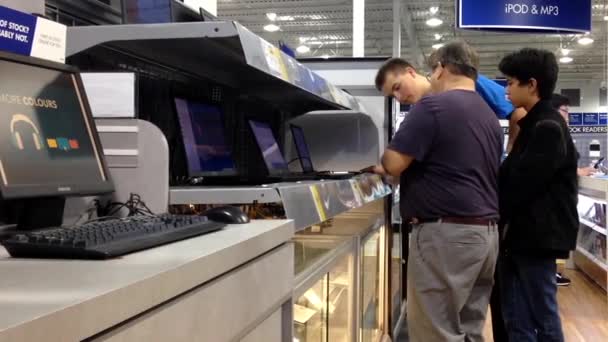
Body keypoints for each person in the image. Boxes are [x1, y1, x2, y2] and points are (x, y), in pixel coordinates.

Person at [375, 51, 516, 342]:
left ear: (435, 70)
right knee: (469, 328)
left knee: (434, 331)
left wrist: (383, 162)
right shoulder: (487, 114)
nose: (399, 97)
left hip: (446, 236)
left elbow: (393, 164)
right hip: (485, 236)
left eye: (397, 87)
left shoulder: (432, 107)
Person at [498, 48, 579, 342]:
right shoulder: (536, 123)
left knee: (540, 314)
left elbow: (522, 183)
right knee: (517, 314)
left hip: (536, 236)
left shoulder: (546, 127)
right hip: (524, 237)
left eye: (510, 82)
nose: (506, 89)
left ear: (531, 84)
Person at [375, 55, 526, 152]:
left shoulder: (465, 80)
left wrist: (510, 150)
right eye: (392, 96)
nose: (399, 97)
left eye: (397, 87)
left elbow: (519, 112)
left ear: (410, 72)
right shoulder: (418, 114)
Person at [551, 93, 595, 178]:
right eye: (565, 111)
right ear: (553, 110)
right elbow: (553, 164)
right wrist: (578, 172)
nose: (568, 117)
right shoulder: (548, 133)